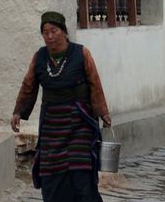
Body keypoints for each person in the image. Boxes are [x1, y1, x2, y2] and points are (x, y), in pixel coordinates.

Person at [11, 11, 113, 202]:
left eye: (54, 31)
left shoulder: (81, 53)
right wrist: (18, 111)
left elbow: (95, 84)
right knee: (52, 173)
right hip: (52, 124)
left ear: (64, 32)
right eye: (45, 32)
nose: (49, 36)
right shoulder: (39, 57)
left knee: (79, 169)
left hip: (79, 121)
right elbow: (29, 85)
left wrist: (103, 112)